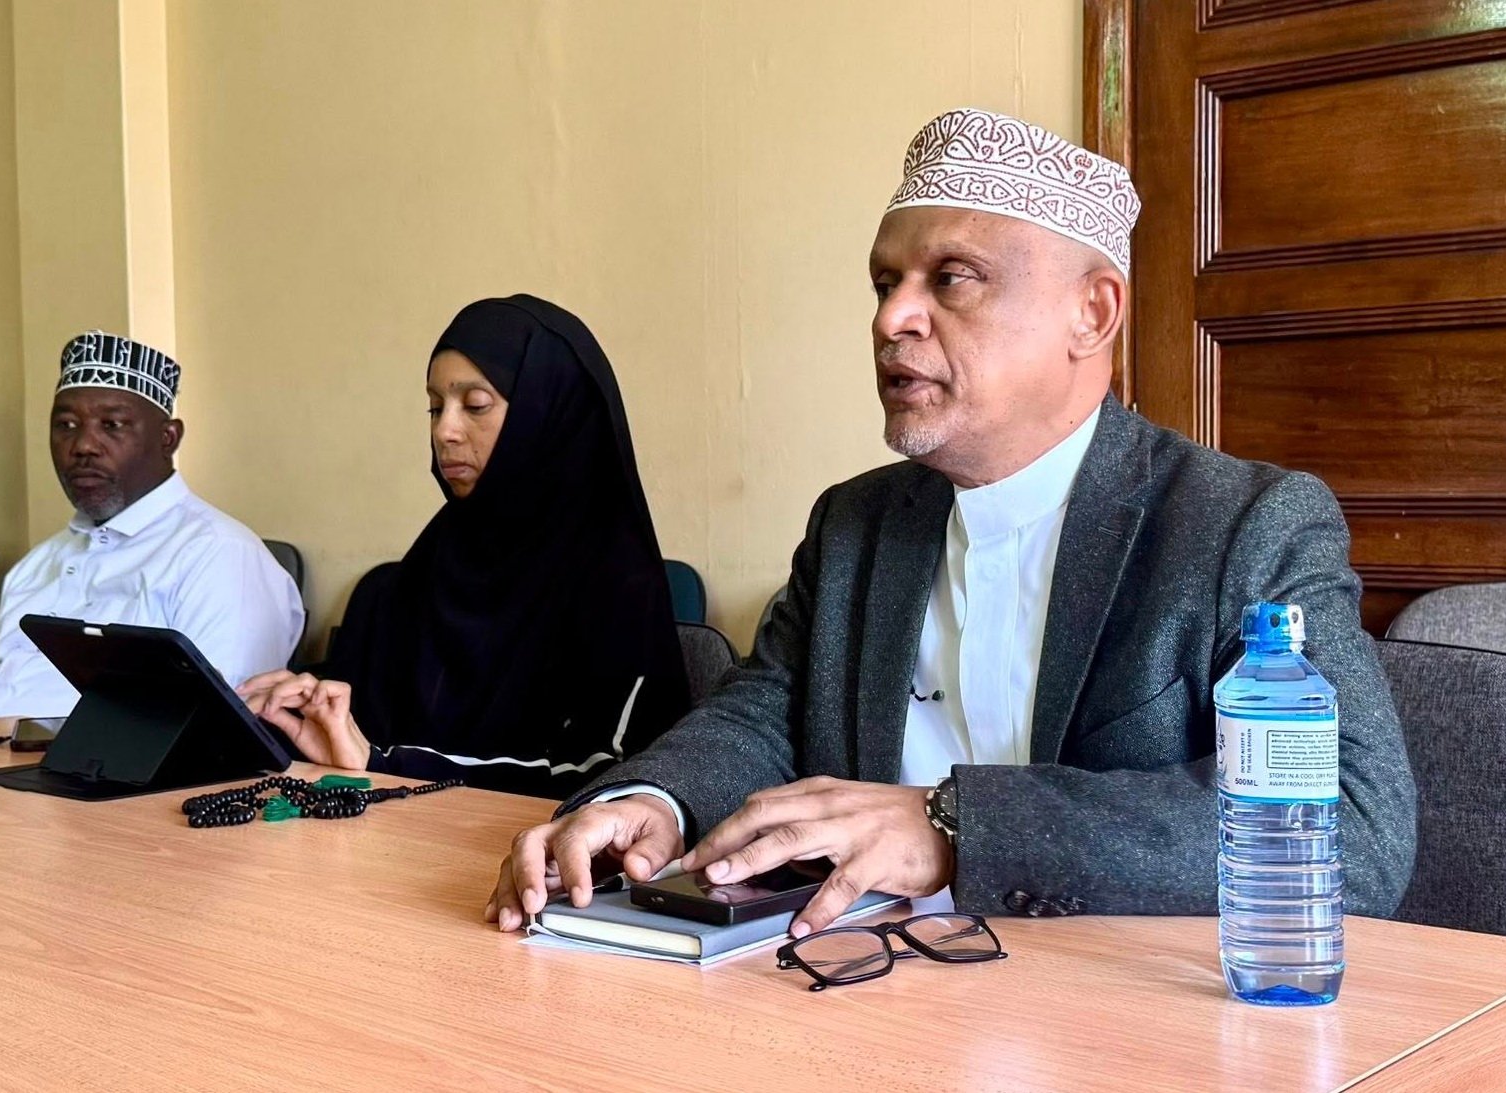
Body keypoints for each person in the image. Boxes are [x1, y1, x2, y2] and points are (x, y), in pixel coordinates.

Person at [488, 108, 1417, 936]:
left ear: (1091, 313)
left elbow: (1351, 825)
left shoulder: (1242, 526)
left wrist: (953, 824)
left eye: (953, 278)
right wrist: (653, 798)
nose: (892, 318)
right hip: (854, 989)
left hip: (1120, 1020)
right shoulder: (855, 523)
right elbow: (765, 713)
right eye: (884, 282)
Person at [238, 294, 690, 797]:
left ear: (549, 411)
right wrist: (296, 715)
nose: (444, 431)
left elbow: (609, 777)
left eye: (475, 405)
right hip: (379, 828)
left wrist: (385, 764)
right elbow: (356, 731)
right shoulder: (429, 564)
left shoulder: (616, 580)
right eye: (435, 407)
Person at [0, 331, 305, 736]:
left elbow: (215, 732)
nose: (83, 445)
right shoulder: (37, 565)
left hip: (95, 774)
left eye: (112, 425)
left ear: (167, 438)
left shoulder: (220, 556)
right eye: (66, 425)